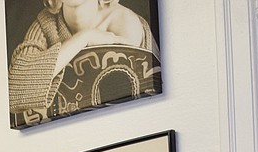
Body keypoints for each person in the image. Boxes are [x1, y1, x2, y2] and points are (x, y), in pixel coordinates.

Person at [8, 0, 161, 116]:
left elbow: (128, 103)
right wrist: (84, 38)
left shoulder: (123, 21)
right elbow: (16, 89)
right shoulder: (46, 24)